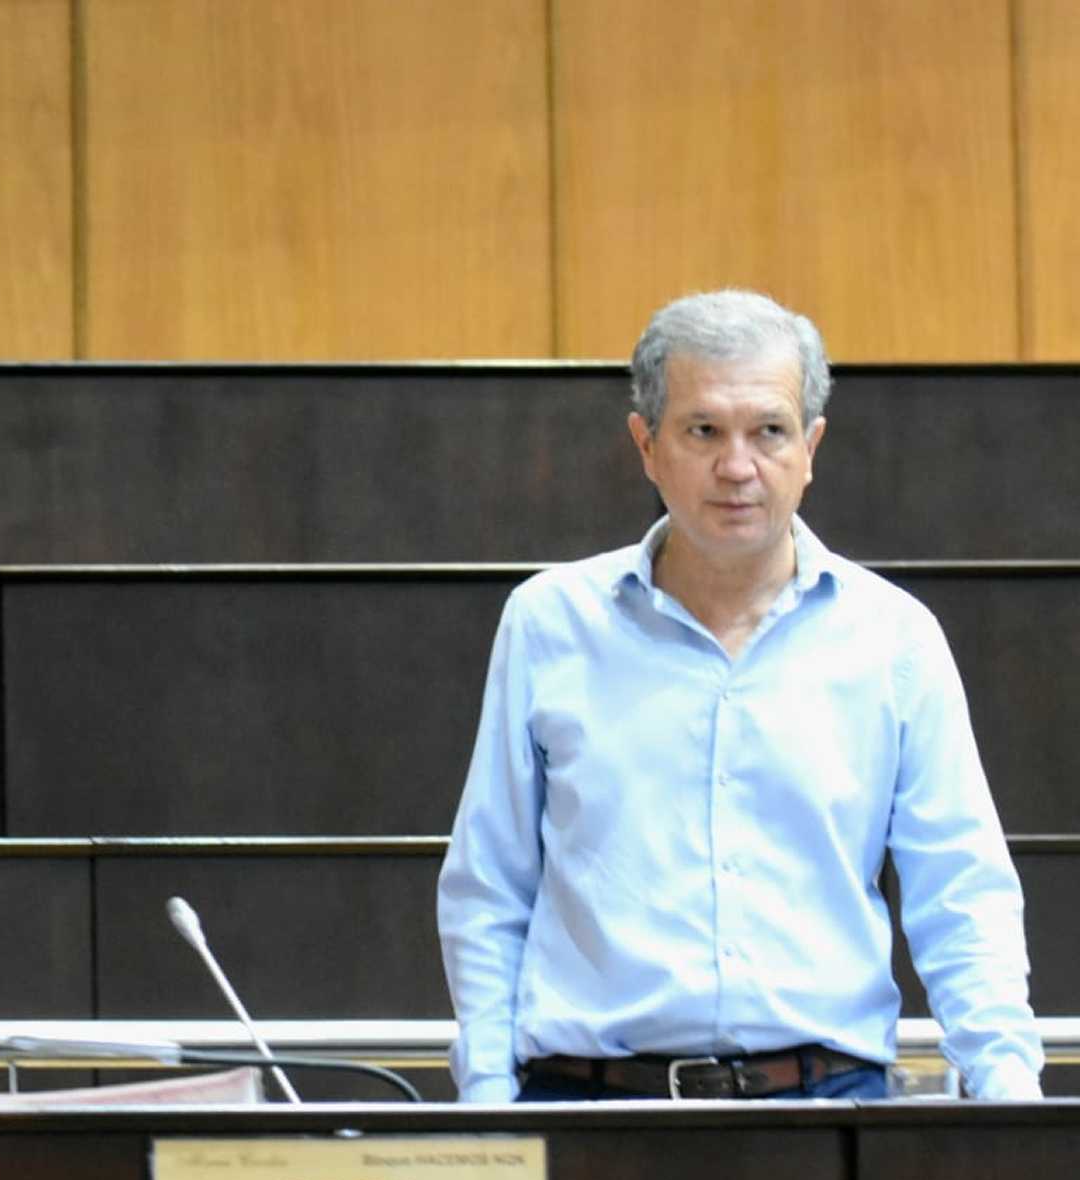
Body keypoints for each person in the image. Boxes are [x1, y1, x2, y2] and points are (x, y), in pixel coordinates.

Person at [437, 290, 1042, 1103]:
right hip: (589, 1108)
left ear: (811, 446)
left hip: (830, 1114)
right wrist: (487, 1099)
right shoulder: (549, 623)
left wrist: (1008, 1094)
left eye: (769, 431)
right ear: (645, 445)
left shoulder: (895, 639)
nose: (737, 465)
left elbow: (961, 892)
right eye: (702, 431)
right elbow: (490, 882)